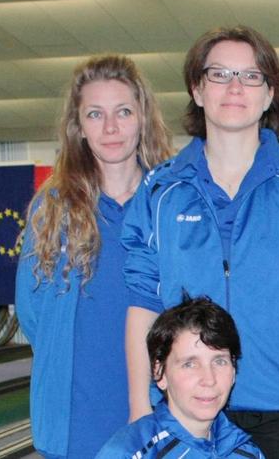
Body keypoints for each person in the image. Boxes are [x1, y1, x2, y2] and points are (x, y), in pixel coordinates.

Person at [122, 25, 279, 458]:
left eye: (250, 77)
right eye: (219, 75)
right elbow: (142, 303)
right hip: (190, 411)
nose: (234, 88)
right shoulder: (161, 189)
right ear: (196, 89)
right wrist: (141, 406)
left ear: (269, 95)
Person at [16, 55, 173, 459]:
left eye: (123, 111)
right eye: (95, 114)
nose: (111, 128)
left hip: (160, 414)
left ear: (143, 117)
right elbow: (34, 316)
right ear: (78, 128)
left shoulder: (171, 202)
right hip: (76, 424)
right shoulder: (52, 207)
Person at [97, 297, 264, 458]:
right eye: (190, 364)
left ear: (234, 370)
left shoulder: (247, 452)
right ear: (160, 372)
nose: (209, 379)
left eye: (219, 361)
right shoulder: (129, 453)